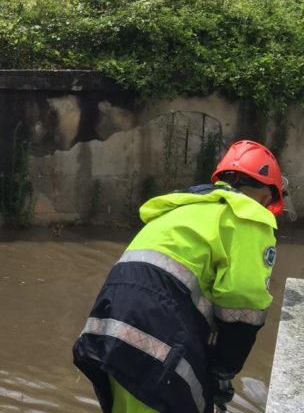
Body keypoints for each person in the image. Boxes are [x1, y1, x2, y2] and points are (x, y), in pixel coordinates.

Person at [73, 140, 292, 413]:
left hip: (106, 330)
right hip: (155, 338)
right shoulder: (248, 218)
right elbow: (243, 304)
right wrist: (224, 370)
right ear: (266, 193)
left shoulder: (182, 208)